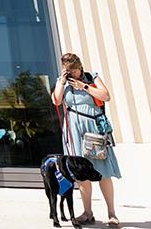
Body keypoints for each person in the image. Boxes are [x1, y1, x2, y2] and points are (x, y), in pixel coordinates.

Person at [51, 52, 121, 227]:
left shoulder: (91, 77)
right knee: (81, 174)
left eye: (73, 70)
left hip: (92, 128)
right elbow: (56, 101)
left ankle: (112, 213)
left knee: (102, 171)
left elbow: (105, 96)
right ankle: (87, 212)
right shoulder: (64, 82)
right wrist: (61, 81)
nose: (72, 74)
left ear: (79, 67)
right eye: (68, 71)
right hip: (73, 130)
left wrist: (84, 86)